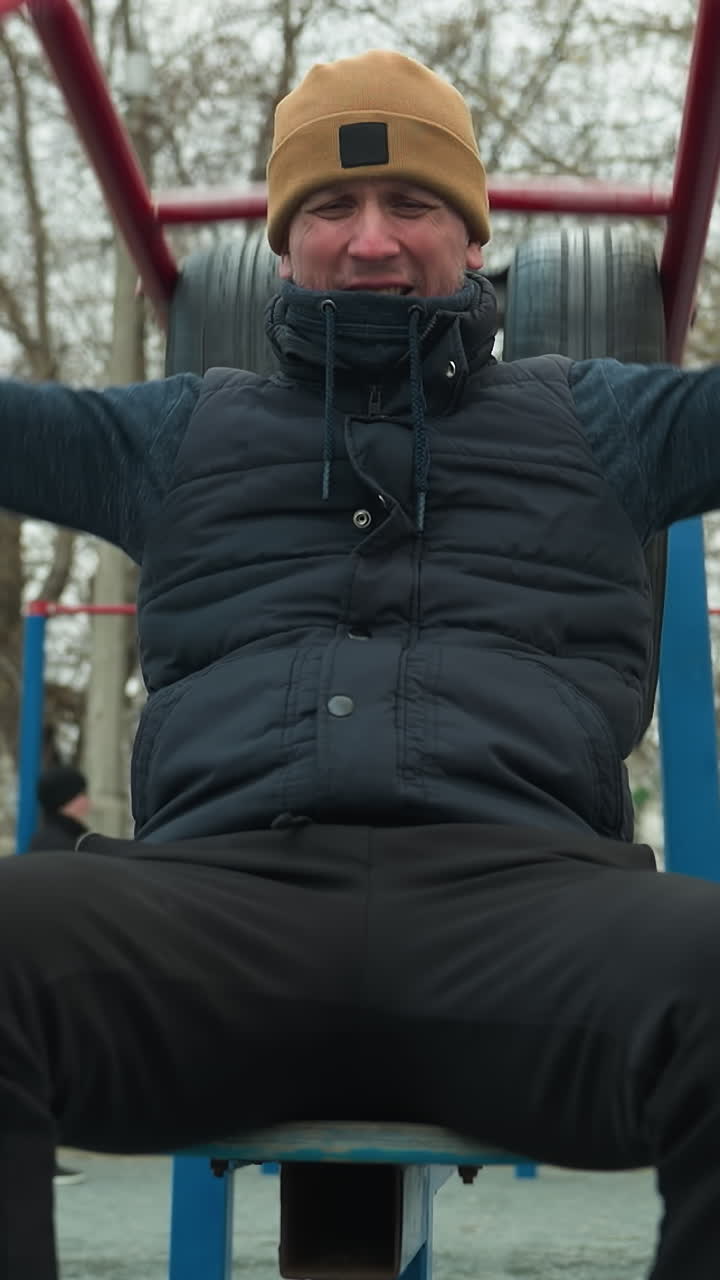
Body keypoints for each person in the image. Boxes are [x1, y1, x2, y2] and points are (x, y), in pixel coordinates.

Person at [1, 47, 720, 1280]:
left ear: (473, 235)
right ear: (284, 245)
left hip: (527, 913)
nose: (371, 240)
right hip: (213, 913)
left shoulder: (601, 421)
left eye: (412, 204)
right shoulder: (178, 432)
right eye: (331, 207)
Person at [24, 766, 89, 1187]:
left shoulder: (50, 841)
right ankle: (38, 1159)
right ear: (70, 800)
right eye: (82, 794)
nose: (89, 801)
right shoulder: (63, 845)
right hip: (54, 970)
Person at [27, 765, 90, 854]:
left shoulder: (46, 837)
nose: (87, 801)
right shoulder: (63, 844)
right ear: (66, 799)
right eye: (82, 793)